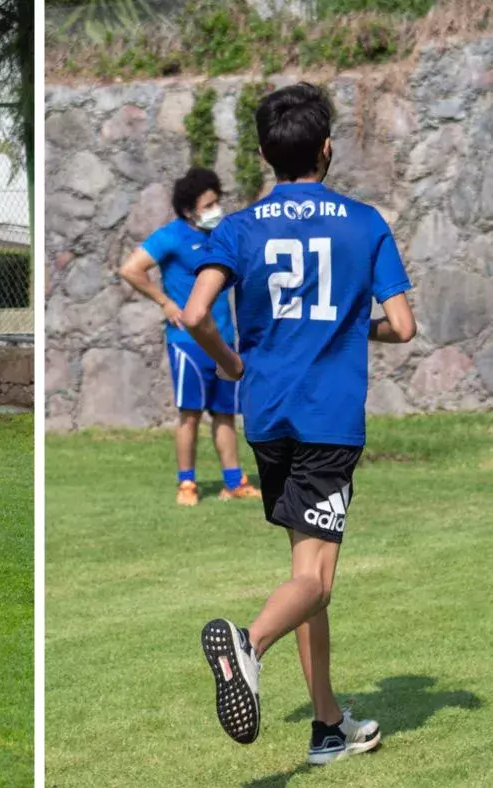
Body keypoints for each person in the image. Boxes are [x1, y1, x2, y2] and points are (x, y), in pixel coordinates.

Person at [183, 83, 415, 765]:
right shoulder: (364, 223)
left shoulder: (240, 226)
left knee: (303, 569)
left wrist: (229, 362)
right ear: (327, 148)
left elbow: (195, 314)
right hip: (327, 418)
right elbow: (401, 326)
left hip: (267, 414)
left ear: (262, 154)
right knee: (317, 580)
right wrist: (350, 326)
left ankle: (327, 727)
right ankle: (247, 646)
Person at [119, 167, 262, 507]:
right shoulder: (172, 236)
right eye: (209, 204)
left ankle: (234, 481)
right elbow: (130, 268)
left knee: (225, 413)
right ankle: (187, 485)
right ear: (189, 210)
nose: (216, 209)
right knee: (191, 413)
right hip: (187, 343)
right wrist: (166, 303)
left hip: (224, 340)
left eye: (218, 202)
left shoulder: (222, 236)